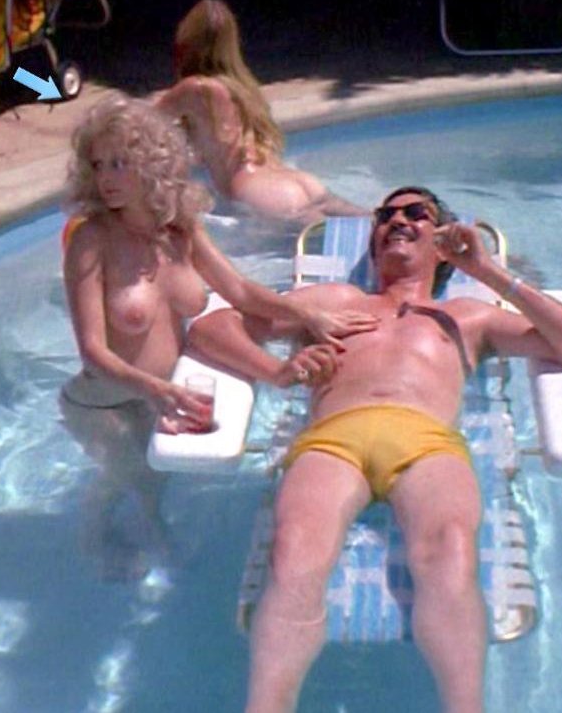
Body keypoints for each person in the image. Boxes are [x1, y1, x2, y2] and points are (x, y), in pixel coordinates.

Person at [186, 186, 562, 713]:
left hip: (426, 443)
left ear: (441, 242)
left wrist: (488, 272)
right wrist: (277, 370)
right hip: (333, 438)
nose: (397, 221)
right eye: (385, 215)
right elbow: (210, 329)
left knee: (449, 549)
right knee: (294, 552)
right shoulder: (333, 302)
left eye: (416, 213)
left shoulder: (468, 315)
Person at [59, 94, 377, 579]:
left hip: (161, 392)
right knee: (129, 476)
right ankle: (92, 536)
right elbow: (93, 351)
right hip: (104, 401)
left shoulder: (179, 229)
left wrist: (308, 316)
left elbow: (240, 291)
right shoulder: (91, 240)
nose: (106, 178)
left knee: (155, 480)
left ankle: (153, 532)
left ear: (151, 163)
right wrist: (156, 389)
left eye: (120, 163)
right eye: (98, 164)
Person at [156, 0, 366, 224]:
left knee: (323, 239)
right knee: (374, 226)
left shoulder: (195, 89)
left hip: (259, 189)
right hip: (298, 181)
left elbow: (139, 124)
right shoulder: (244, 87)